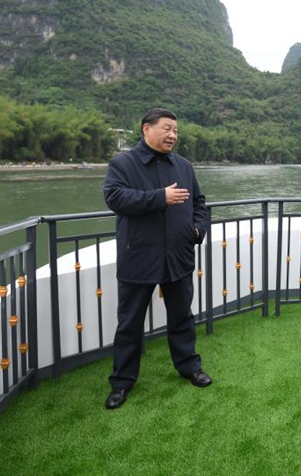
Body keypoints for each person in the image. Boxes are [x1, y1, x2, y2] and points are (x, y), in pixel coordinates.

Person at [103, 108, 211, 410]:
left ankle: (189, 367)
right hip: (138, 257)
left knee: (182, 317)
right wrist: (159, 197)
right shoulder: (122, 164)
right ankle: (122, 382)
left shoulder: (184, 166)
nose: (172, 135)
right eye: (167, 128)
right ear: (146, 129)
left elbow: (200, 203)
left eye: (175, 130)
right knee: (130, 323)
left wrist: (197, 230)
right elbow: (115, 198)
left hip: (178, 255)